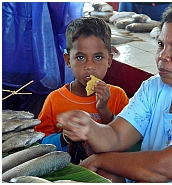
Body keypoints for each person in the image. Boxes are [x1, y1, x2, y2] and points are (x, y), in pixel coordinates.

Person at [56, 3, 172, 183]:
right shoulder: (154, 87)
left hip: (166, 177)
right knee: (107, 176)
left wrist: (99, 160)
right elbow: (116, 136)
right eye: (161, 44)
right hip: (156, 178)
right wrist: (89, 128)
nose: (163, 55)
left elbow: (166, 168)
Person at [34, 17, 129, 164]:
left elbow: (125, 139)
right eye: (80, 57)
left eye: (98, 57)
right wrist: (64, 136)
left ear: (109, 60)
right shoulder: (55, 99)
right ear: (67, 60)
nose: (89, 66)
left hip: (106, 171)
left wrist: (104, 110)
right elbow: (40, 143)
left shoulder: (117, 96)